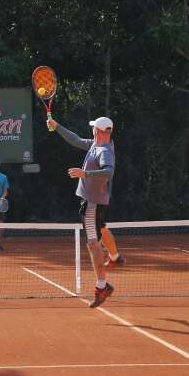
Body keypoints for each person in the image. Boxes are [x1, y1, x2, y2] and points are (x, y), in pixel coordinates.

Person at [47, 116, 125, 308]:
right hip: (99, 201)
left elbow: (109, 172)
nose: (91, 131)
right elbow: (76, 140)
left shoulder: (104, 151)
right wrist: (57, 126)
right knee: (102, 228)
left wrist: (85, 174)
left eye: (93, 129)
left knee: (92, 243)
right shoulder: (96, 144)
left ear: (98, 131)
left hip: (92, 203)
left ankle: (102, 286)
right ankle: (115, 258)